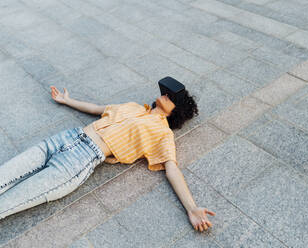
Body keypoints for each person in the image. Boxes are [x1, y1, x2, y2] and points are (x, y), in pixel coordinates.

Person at [0, 80, 215, 232]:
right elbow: (96, 108)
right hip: (64, 138)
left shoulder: (163, 134)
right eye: (166, 91)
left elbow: (172, 169)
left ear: (177, 111)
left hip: (78, 161)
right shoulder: (133, 106)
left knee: (9, 202)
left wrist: (192, 207)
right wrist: (68, 101)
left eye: (172, 97)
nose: (166, 94)